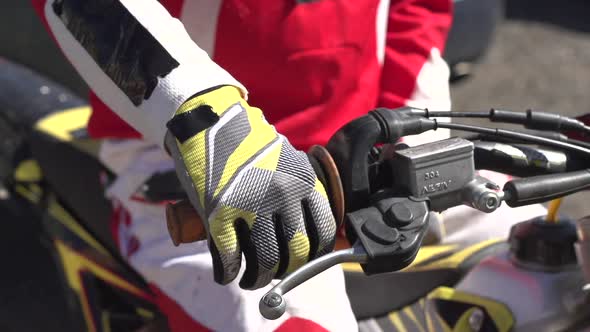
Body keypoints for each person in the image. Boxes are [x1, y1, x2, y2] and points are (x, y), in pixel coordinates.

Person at [31, 0, 545, 331]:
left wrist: (413, 136)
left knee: (547, 256)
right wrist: (204, 120)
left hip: (357, 158)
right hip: (197, 166)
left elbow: (416, 10)